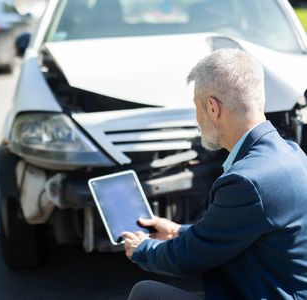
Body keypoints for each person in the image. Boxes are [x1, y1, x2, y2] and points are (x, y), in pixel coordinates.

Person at [122, 48, 307, 299]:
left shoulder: (247, 180)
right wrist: (177, 231)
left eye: (196, 107)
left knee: (145, 293)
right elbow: (236, 229)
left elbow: (191, 258)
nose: (197, 118)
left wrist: (142, 249)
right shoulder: (291, 153)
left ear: (212, 107)